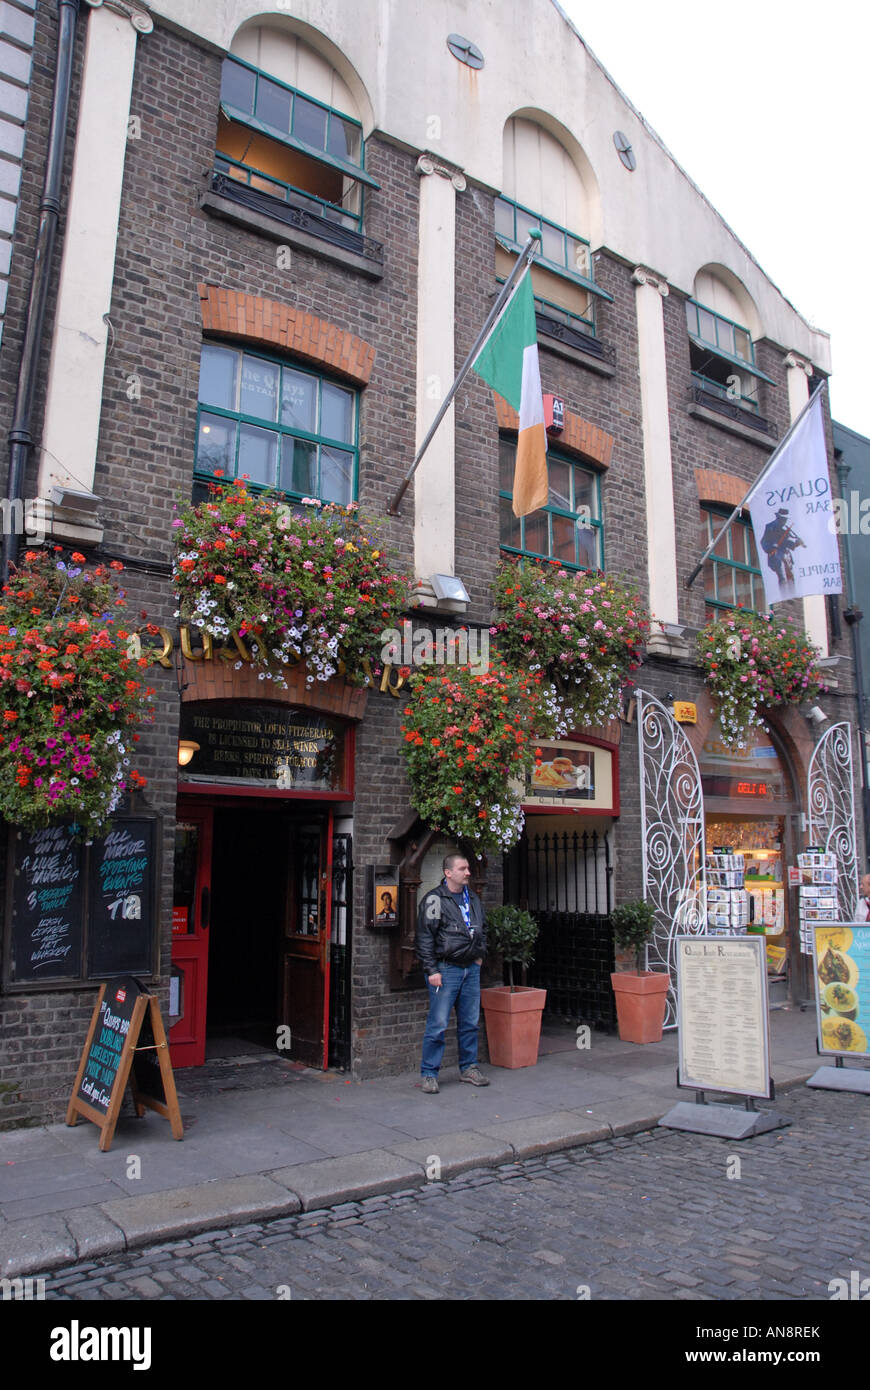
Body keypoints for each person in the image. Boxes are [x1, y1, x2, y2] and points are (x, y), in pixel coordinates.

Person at [416, 852, 489, 1092]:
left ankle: (469, 1068)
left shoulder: (473, 899)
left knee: (470, 1022)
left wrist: (478, 956)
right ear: (448, 873)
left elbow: (482, 928)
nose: (468, 872)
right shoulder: (435, 900)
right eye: (462, 868)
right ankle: (429, 1073)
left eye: (468, 868)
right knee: (437, 1024)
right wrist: (431, 969)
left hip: (471, 968)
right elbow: (425, 937)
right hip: (446, 970)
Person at [760, 508, 804, 587]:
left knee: (791, 578)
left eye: (785, 519)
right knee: (783, 578)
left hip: (786, 556)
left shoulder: (785, 529)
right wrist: (772, 547)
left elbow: (788, 543)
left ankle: (792, 596)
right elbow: (763, 542)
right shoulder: (770, 527)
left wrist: (797, 543)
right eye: (783, 519)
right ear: (778, 517)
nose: (784, 521)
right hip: (777, 557)